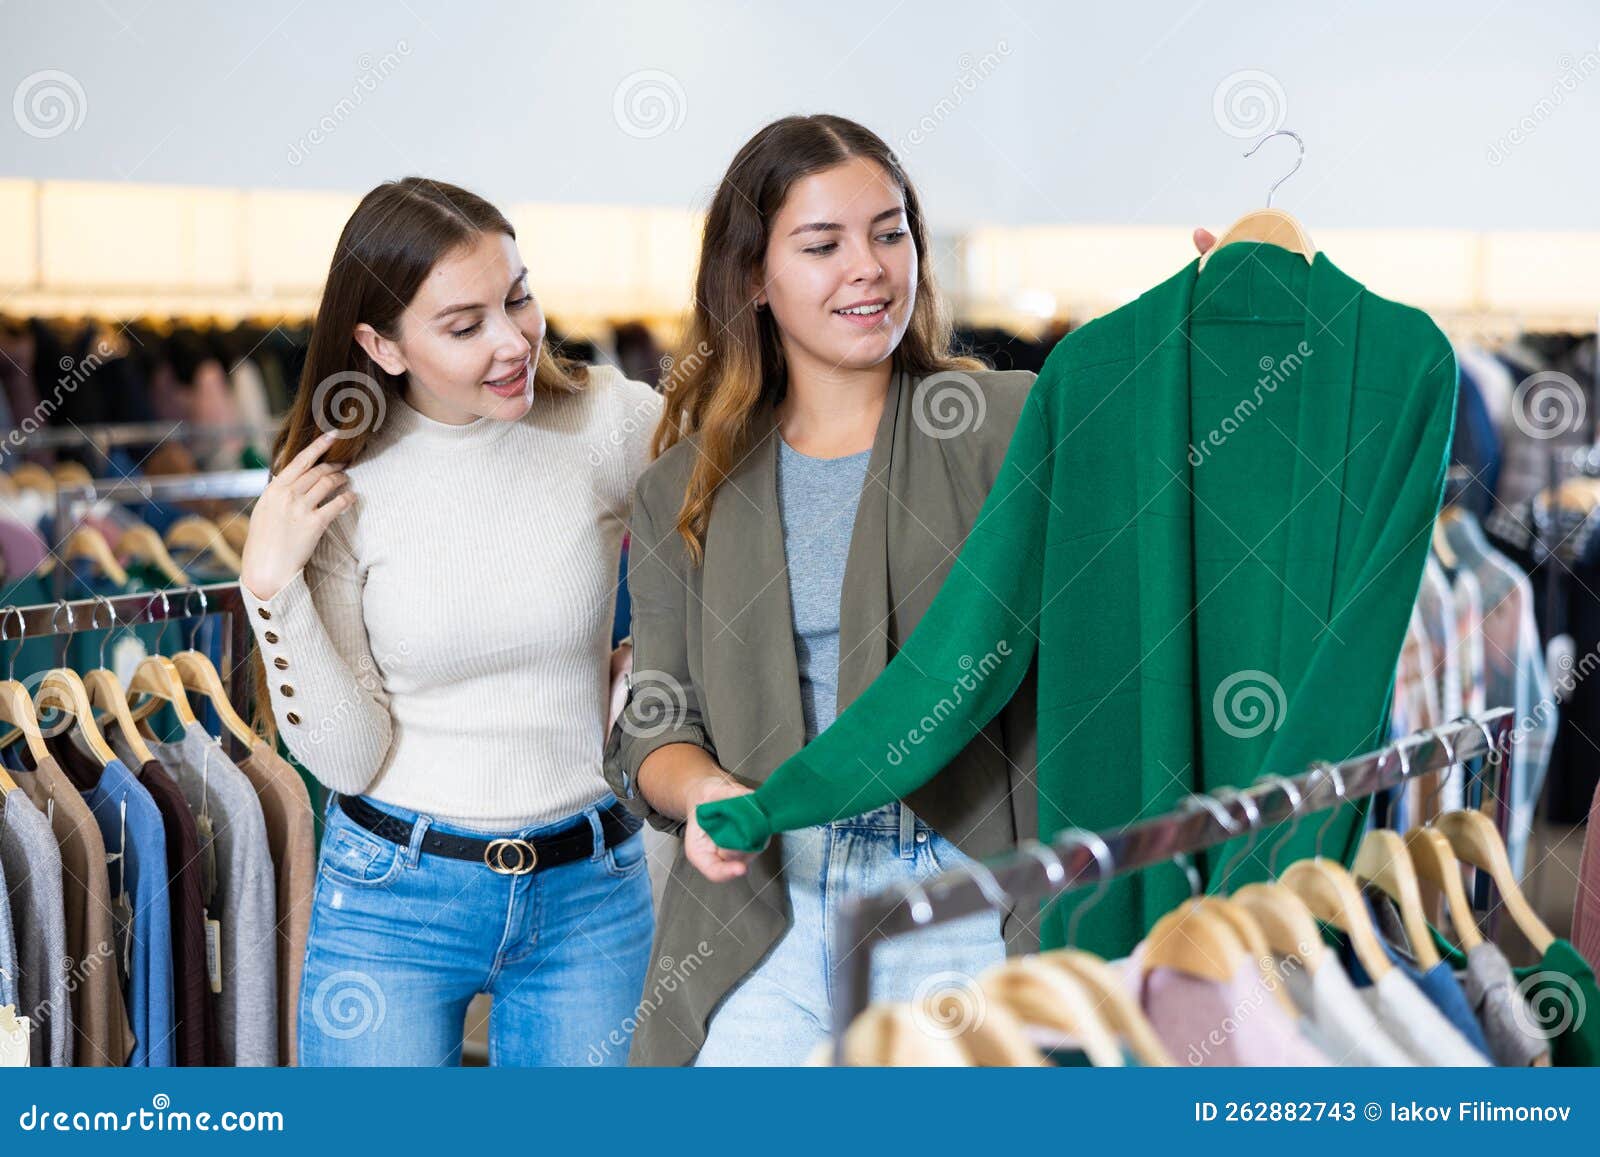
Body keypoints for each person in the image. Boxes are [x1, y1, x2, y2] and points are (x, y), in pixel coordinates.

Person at [241, 177, 661, 1066]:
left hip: (590, 886)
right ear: (381, 346)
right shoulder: (339, 488)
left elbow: (738, 523)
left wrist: (663, 661)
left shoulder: (606, 420)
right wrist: (270, 585)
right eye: (466, 326)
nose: (514, 340)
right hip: (395, 892)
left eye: (518, 297)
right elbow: (350, 757)